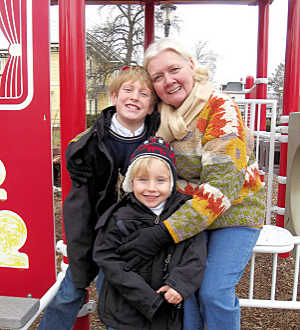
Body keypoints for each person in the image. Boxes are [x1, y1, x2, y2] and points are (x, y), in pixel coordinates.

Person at [116, 38, 266, 330]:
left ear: (192, 67)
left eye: (174, 70)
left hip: (233, 211)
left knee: (214, 290)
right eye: (158, 77)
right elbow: (123, 132)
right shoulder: (158, 114)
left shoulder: (220, 109)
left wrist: (163, 233)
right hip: (185, 213)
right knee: (184, 288)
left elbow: (222, 188)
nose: (168, 81)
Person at [37, 66, 160, 330]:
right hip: (92, 231)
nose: (135, 97)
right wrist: (77, 243)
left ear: (151, 107)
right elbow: (78, 203)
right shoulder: (90, 143)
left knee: (119, 297)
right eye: (128, 90)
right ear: (114, 98)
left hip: (130, 236)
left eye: (144, 93)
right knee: (71, 290)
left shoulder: (156, 143)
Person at [93, 136, 207, 330]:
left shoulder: (183, 213)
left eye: (160, 180)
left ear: (171, 181)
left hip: (169, 305)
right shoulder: (119, 216)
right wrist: (144, 296)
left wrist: (179, 284)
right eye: (143, 180)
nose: (151, 188)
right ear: (131, 181)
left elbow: (196, 254)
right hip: (126, 308)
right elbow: (107, 257)